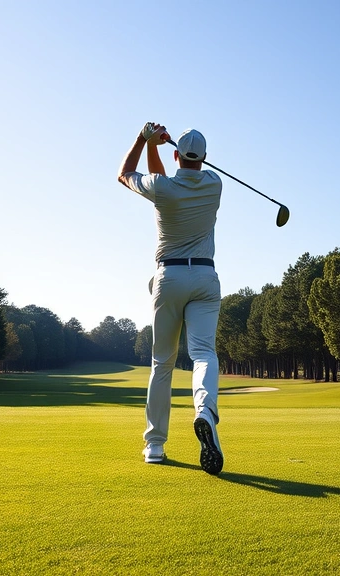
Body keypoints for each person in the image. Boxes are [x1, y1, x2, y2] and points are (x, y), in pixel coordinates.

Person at [117, 122, 224, 475]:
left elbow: (126, 175)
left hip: (170, 276)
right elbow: (163, 181)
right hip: (206, 277)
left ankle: (155, 446)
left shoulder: (164, 189)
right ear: (205, 159)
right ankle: (205, 411)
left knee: (162, 363)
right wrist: (157, 147)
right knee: (204, 354)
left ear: (176, 154)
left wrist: (144, 140)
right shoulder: (214, 184)